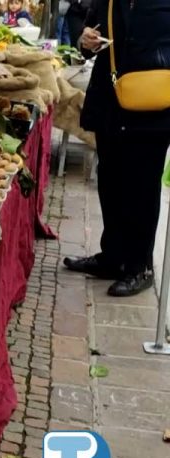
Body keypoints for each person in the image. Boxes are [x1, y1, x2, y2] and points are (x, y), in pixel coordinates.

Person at [63, 0, 170, 297]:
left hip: (154, 106)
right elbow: (80, 18)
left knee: (143, 189)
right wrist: (83, 38)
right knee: (109, 182)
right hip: (111, 103)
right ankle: (112, 257)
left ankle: (140, 267)